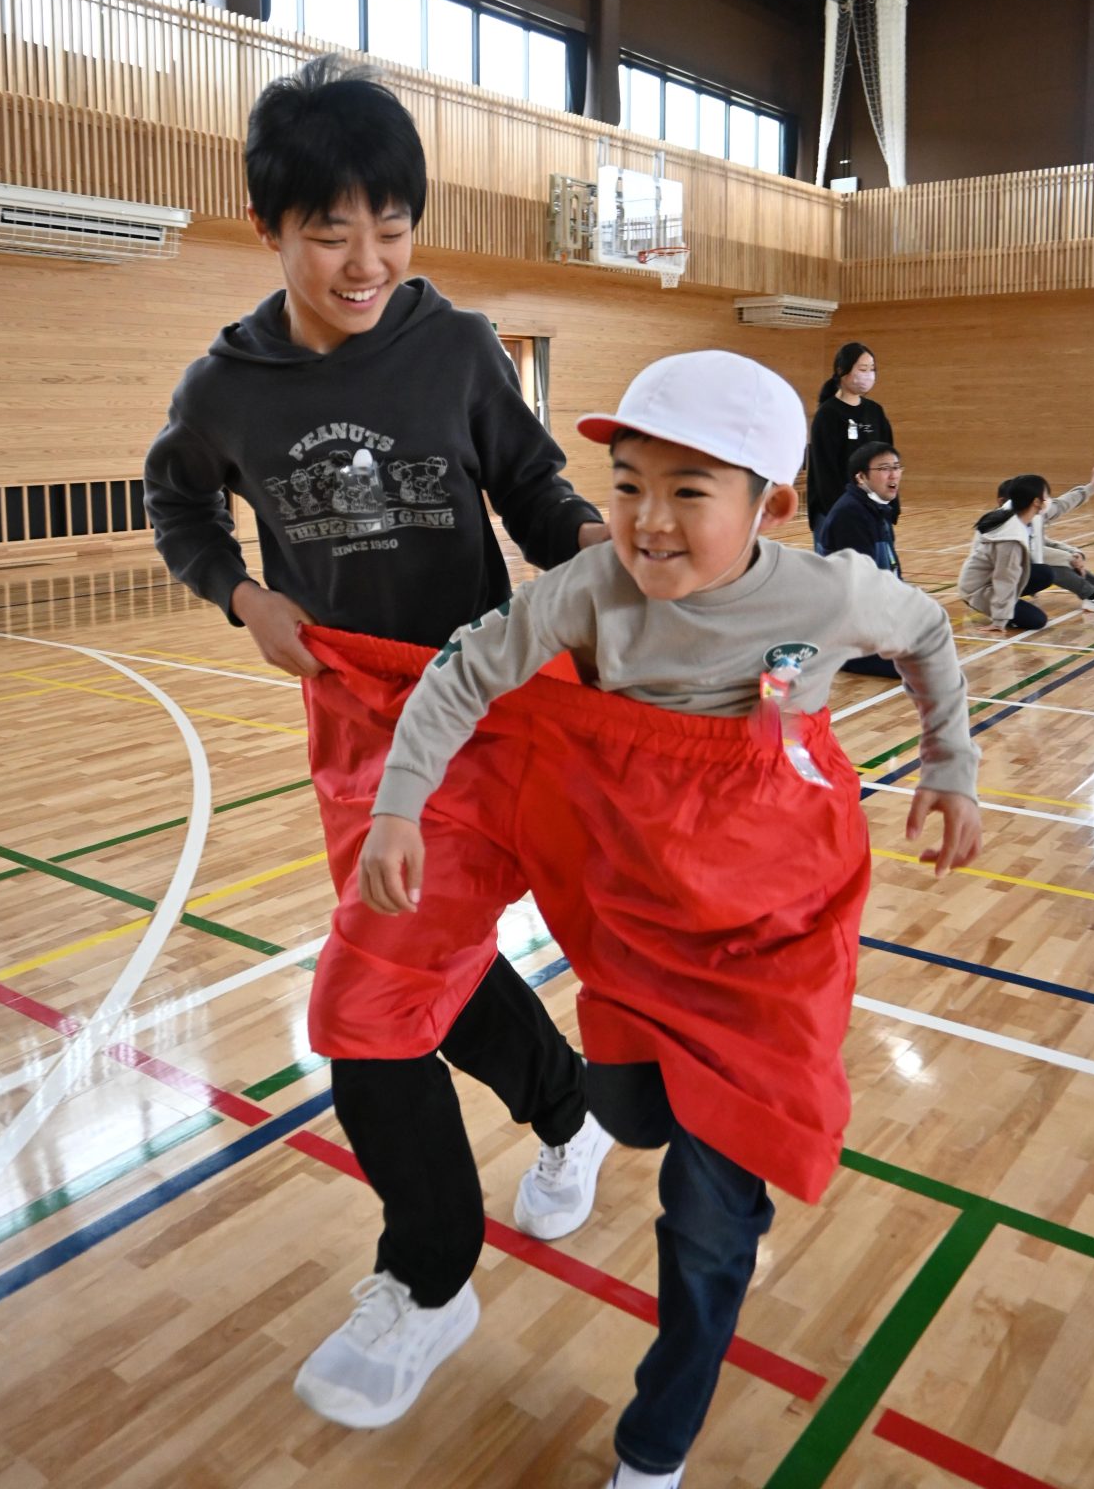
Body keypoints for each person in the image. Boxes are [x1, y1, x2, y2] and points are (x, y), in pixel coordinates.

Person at [354, 350, 980, 1488]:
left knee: (705, 1218)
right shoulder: (590, 588)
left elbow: (929, 634)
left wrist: (950, 765)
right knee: (630, 1108)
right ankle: (625, 1128)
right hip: (638, 910)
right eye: (628, 484)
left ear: (768, 506)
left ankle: (654, 1450)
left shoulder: (829, 594)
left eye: (688, 491)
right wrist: (399, 805)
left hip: (775, 925)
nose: (646, 519)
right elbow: (461, 673)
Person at [144, 54, 614, 1430]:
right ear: (269, 230)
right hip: (354, 726)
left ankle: (429, 1274)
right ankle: (568, 1107)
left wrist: (600, 553)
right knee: (425, 965)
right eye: (331, 232)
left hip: (483, 709)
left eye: (391, 227)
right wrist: (242, 596)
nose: (366, 262)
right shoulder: (225, 387)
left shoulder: (456, 346)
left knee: (366, 1002)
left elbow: (531, 487)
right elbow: (178, 504)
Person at [815, 441, 904, 676]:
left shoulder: (878, 510)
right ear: (861, 477)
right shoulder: (850, 515)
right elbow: (861, 586)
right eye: (884, 468)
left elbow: (891, 570)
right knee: (919, 662)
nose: (893, 474)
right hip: (849, 630)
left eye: (896, 467)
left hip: (872, 621)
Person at [806, 341, 894, 542]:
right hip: (837, 513)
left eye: (872, 369)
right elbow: (825, 472)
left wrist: (891, 504)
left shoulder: (875, 412)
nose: (868, 375)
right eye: (862, 369)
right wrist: (844, 512)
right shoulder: (828, 415)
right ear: (841, 371)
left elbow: (889, 460)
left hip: (874, 509)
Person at [994, 465, 1094, 612]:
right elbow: (1031, 553)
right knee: (1050, 567)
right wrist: (1069, 558)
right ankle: (1092, 596)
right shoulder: (1002, 525)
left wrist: (1092, 487)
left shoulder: (1034, 513)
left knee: (1059, 562)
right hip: (997, 586)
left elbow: (1062, 504)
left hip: (1020, 576)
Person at [957, 476, 1054, 632]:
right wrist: (999, 620)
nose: (1049, 500)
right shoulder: (1011, 538)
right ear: (1036, 502)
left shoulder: (1016, 519)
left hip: (990, 581)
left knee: (1045, 573)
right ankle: (997, 609)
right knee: (1038, 621)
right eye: (1046, 496)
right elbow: (1004, 579)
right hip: (978, 590)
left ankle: (1008, 605)